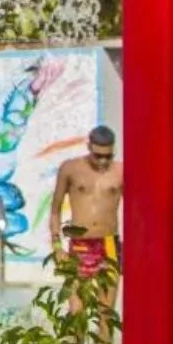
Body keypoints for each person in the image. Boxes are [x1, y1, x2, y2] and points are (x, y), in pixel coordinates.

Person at [50, 125, 125, 313]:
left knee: (106, 316)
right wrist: (57, 246)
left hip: (109, 245)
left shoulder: (121, 171)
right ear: (89, 147)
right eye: (98, 156)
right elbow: (55, 210)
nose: (102, 161)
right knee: (76, 315)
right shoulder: (70, 169)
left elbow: (138, 215)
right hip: (80, 244)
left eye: (108, 156)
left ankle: (104, 343)